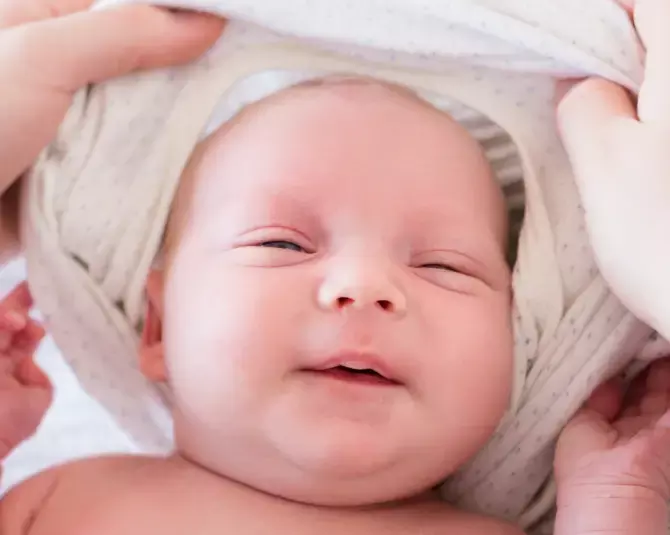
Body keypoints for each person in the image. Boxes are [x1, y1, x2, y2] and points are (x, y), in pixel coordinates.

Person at [0, 1, 669, 534]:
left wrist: (620, 505)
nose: (365, 286)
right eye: (281, 244)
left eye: (445, 267)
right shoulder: (58, 494)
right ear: (158, 327)